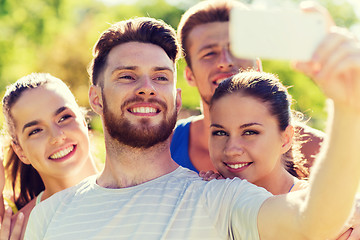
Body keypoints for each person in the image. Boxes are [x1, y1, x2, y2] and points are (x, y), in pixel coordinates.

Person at [24, 15, 360, 239]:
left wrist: (347, 109)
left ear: (176, 94)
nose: (147, 87)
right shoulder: (49, 216)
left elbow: (310, 220)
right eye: (127, 76)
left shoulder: (221, 198)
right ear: (95, 99)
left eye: (160, 77)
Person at [171, 0, 325, 173]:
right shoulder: (164, 149)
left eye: (237, 49)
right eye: (209, 53)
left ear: (258, 67)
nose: (225, 62)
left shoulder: (316, 151)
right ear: (189, 75)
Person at [0, 73, 99, 239]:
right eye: (36, 131)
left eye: (64, 118)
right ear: (20, 152)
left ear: (83, 121)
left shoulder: (138, 189)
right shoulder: (18, 231)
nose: (56, 136)